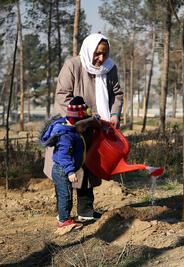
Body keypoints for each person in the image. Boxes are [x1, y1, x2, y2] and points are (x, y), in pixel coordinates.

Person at [43, 33, 123, 222]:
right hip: (71, 129)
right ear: (89, 49)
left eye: (104, 53)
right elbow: (63, 97)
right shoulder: (72, 66)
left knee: (88, 169)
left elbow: (117, 94)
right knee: (66, 169)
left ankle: (85, 211)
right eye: (97, 53)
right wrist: (85, 118)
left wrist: (114, 114)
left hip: (97, 129)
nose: (101, 58)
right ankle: (64, 215)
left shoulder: (109, 68)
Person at [40, 96, 92, 229]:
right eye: (84, 125)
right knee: (66, 196)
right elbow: (63, 156)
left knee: (66, 194)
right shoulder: (66, 136)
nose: (85, 129)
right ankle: (63, 221)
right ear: (75, 123)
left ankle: (65, 217)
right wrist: (70, 171)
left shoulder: (70, 129)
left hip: (62, 169)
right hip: (62, 170)